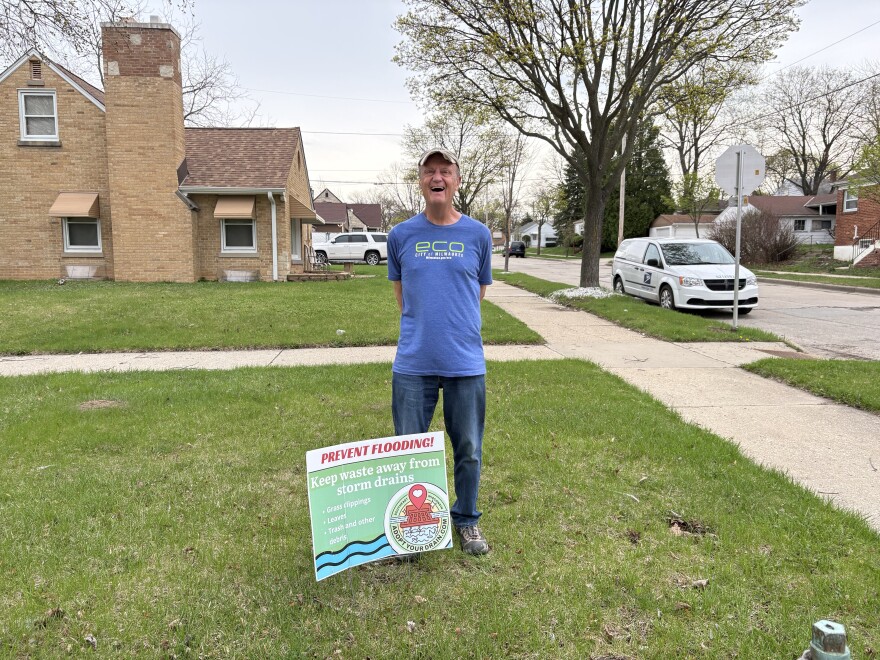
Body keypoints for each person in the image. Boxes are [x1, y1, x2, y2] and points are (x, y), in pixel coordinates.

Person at [386, 148, 493, 556]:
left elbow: (476, 293)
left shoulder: (478, 235)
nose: (437, 178)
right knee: (408, 450)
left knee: (469, 449)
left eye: (445, 171)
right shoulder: (400, 236)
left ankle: (466, 520)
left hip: (465, 362)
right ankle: (413, 528)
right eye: (429, 171)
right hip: (414, 363)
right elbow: (403, 297)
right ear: (420, 182)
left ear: (457, 181)